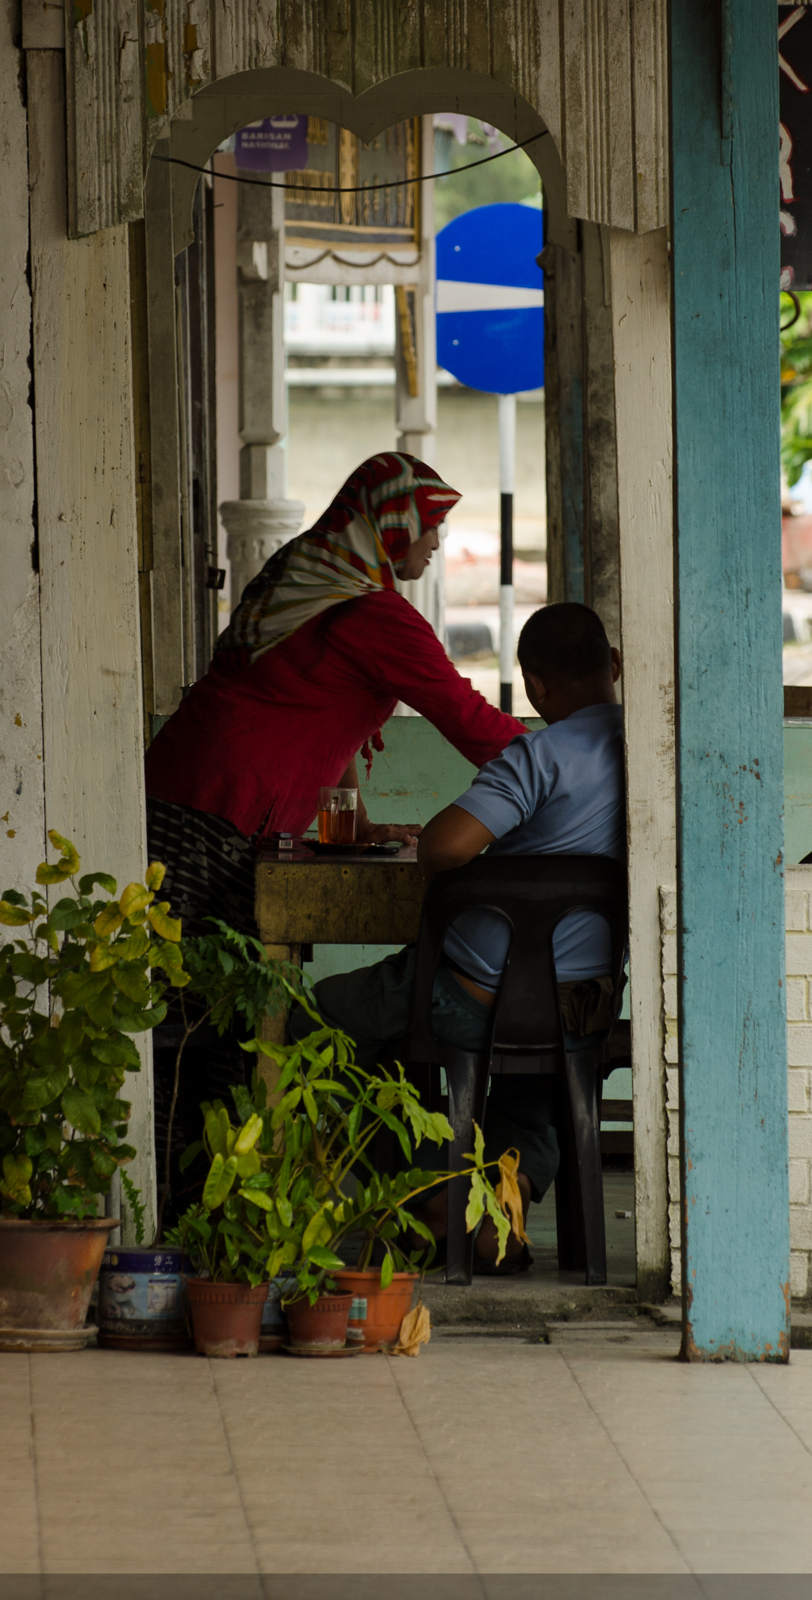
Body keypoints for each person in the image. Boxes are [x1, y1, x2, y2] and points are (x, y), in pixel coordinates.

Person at [301, 600, 624, 1267]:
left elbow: (444, 847)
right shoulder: (656, 754)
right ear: (615, 667)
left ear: (533, 685)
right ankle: (502, 1199)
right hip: (581, 1007)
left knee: (318, 1019)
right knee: (535, 1100)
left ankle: (431, 1199)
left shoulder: (541, 756)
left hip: (472, 994)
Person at [145, 450, 525, 939]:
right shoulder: (370, 612)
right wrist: (567, 764)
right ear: (391, 523)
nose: (435, 542)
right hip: (217, 812)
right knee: (200, 994)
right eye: (428, 525)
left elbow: (324, 717)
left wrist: (354, 826)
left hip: (171, 788)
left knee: (161, 985)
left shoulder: (302, 572)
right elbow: (469, 720)